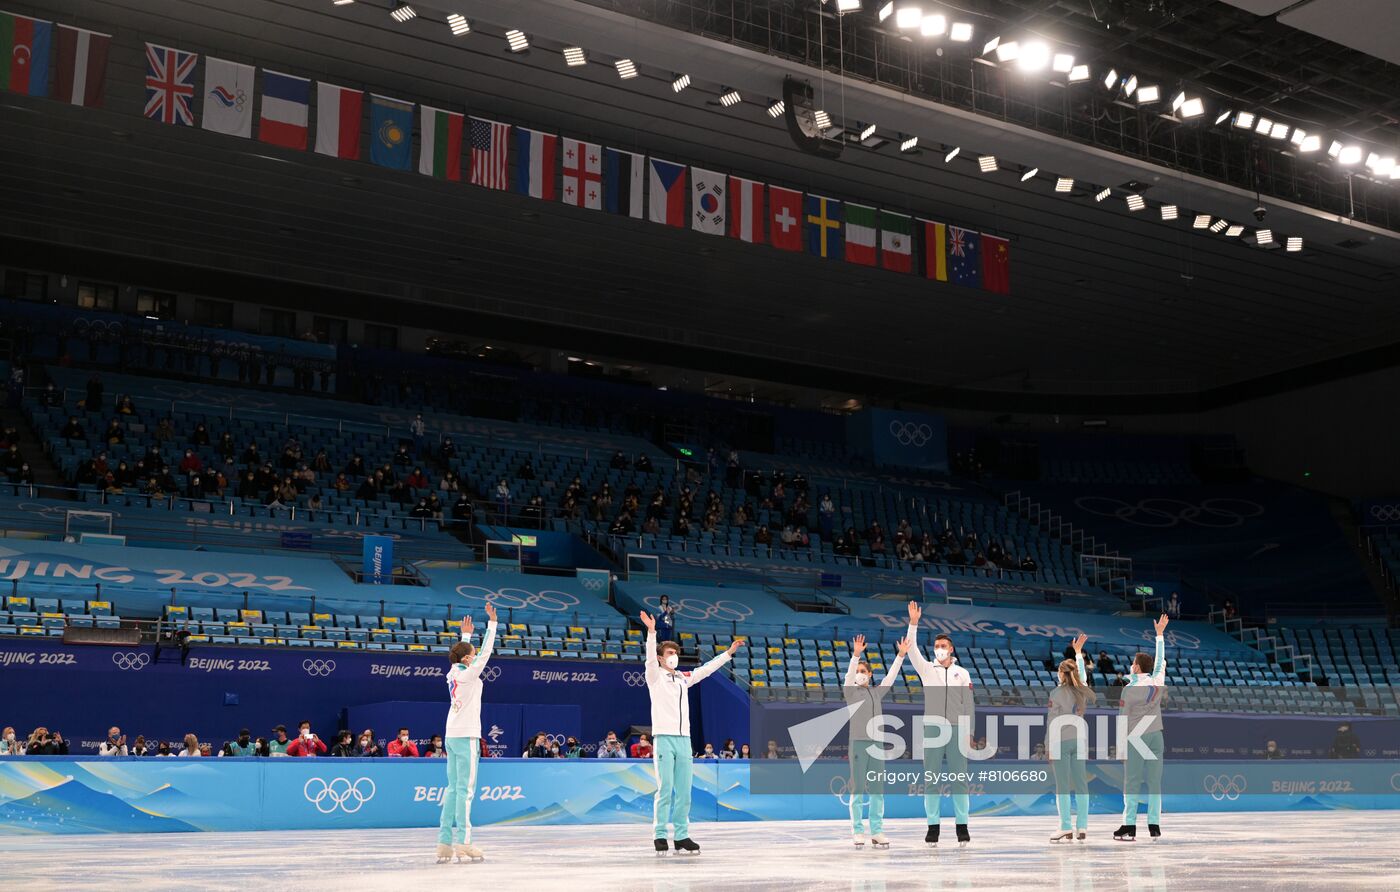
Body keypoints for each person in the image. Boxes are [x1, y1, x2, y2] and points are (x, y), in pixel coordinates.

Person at [639, 609, 743, 855]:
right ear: (661, 658)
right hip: (664, 739)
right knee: (665, 789)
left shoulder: (683, 678)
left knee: (684, 791)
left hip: (684, 740)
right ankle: (660, 835)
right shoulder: (655, 676)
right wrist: (652, 632)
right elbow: (649, 659)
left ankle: (682, 835)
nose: (674, 656)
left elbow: (705, 669)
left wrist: (727, 654)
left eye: (676, 652)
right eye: (670, 653)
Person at [905, 601, 974, 846]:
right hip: (933, 730)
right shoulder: (927, 670)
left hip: (957, 730)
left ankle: (962, 826)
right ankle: (933, 827)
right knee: (931, 779)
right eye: (936, 646)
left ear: (951, 648)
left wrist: (969, 732)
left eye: (943, 646)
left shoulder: (962, 673)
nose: (939, 649)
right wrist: (913, 624)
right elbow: (911, 651)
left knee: (960, 780)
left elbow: (969, 706)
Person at [437, 603, 498, 864]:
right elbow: (484, 654)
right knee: (466, 791)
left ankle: (444, 843)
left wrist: (465, 638)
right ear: (467, 659)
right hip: (466, 735)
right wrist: (493, 624)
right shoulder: (469, 673)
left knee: (452, 789)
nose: (475, 656)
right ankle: (464, 842)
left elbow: (465, 657)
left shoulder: (455, 672)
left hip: (452, 734)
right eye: (470, 654)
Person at [844, 632, 909, 849]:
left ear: (870, 675)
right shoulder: (850, 692)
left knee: (878, 790)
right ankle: (857, 830)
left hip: (877, 746)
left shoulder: (877, 693)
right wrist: (855, 656)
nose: (860, 674)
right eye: (858, 672)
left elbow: (890, 677)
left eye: (864, 672)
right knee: (858, 788)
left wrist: (900, 656)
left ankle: (877, 830)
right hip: (858, 745)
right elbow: (848, 676)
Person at [1114, 614, 1170, 842]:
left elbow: (1122, 719)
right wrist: (1159, 636)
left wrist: (1120, 748)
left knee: (1132, 782)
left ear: (1136, 668)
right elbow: (1160, 661)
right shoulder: (1158, 680)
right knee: (1154, 782)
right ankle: (1154, 825)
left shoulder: (1129, 688)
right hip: (1156, 735)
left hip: (1136, 737)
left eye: (1133, 663)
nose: (1131, 665)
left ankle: (1129, 826)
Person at [1048, 634, 1095, 843]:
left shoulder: (1055, 693)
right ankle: (1082, 826)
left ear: (1060, 674)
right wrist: (1078, 653)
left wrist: (1049, 745)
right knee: (1081, 785)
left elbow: (1051, 722)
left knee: (1062, 786)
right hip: (1080, 741)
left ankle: (1066, 826)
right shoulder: (1082, 690)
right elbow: (1082, 675)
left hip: (1060, 741)